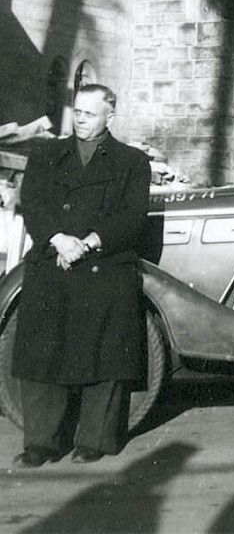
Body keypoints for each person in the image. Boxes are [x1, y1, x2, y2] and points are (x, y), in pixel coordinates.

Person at [11, 83, 152, 467]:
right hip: (52, 260)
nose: (80, 119)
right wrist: (58, 239)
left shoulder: (132, 162)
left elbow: (132, 217)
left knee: (103, 354)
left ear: (111, 116)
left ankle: (95, 439)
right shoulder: (46, 154)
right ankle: (41, 442)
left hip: (102, 263)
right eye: (77, 111)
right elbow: (33, 203)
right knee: (42, 353)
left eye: (90, 113)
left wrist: (87, 242)